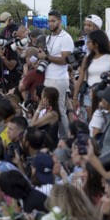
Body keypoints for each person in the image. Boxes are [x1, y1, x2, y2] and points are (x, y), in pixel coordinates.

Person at [37, 10, 74, 138]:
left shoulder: (66, 37)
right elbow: (47, 56)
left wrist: (46, 57)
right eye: (49, 21)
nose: (50, 24)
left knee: (60, 110)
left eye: (53, 21)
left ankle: (67, 138)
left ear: (60, 21)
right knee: (49, 110)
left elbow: (65, 60)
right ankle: (54, 137)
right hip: (48, 78)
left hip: (59, 79)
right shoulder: (49, 37)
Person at [73, 29, 110, 120]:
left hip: (106, 95)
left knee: (105, 120)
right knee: (90, 121)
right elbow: (81, 77)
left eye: (89, 41)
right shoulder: (87, 57)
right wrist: (75, 96)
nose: (86, 44)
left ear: (96, 43)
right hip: (88, 94)